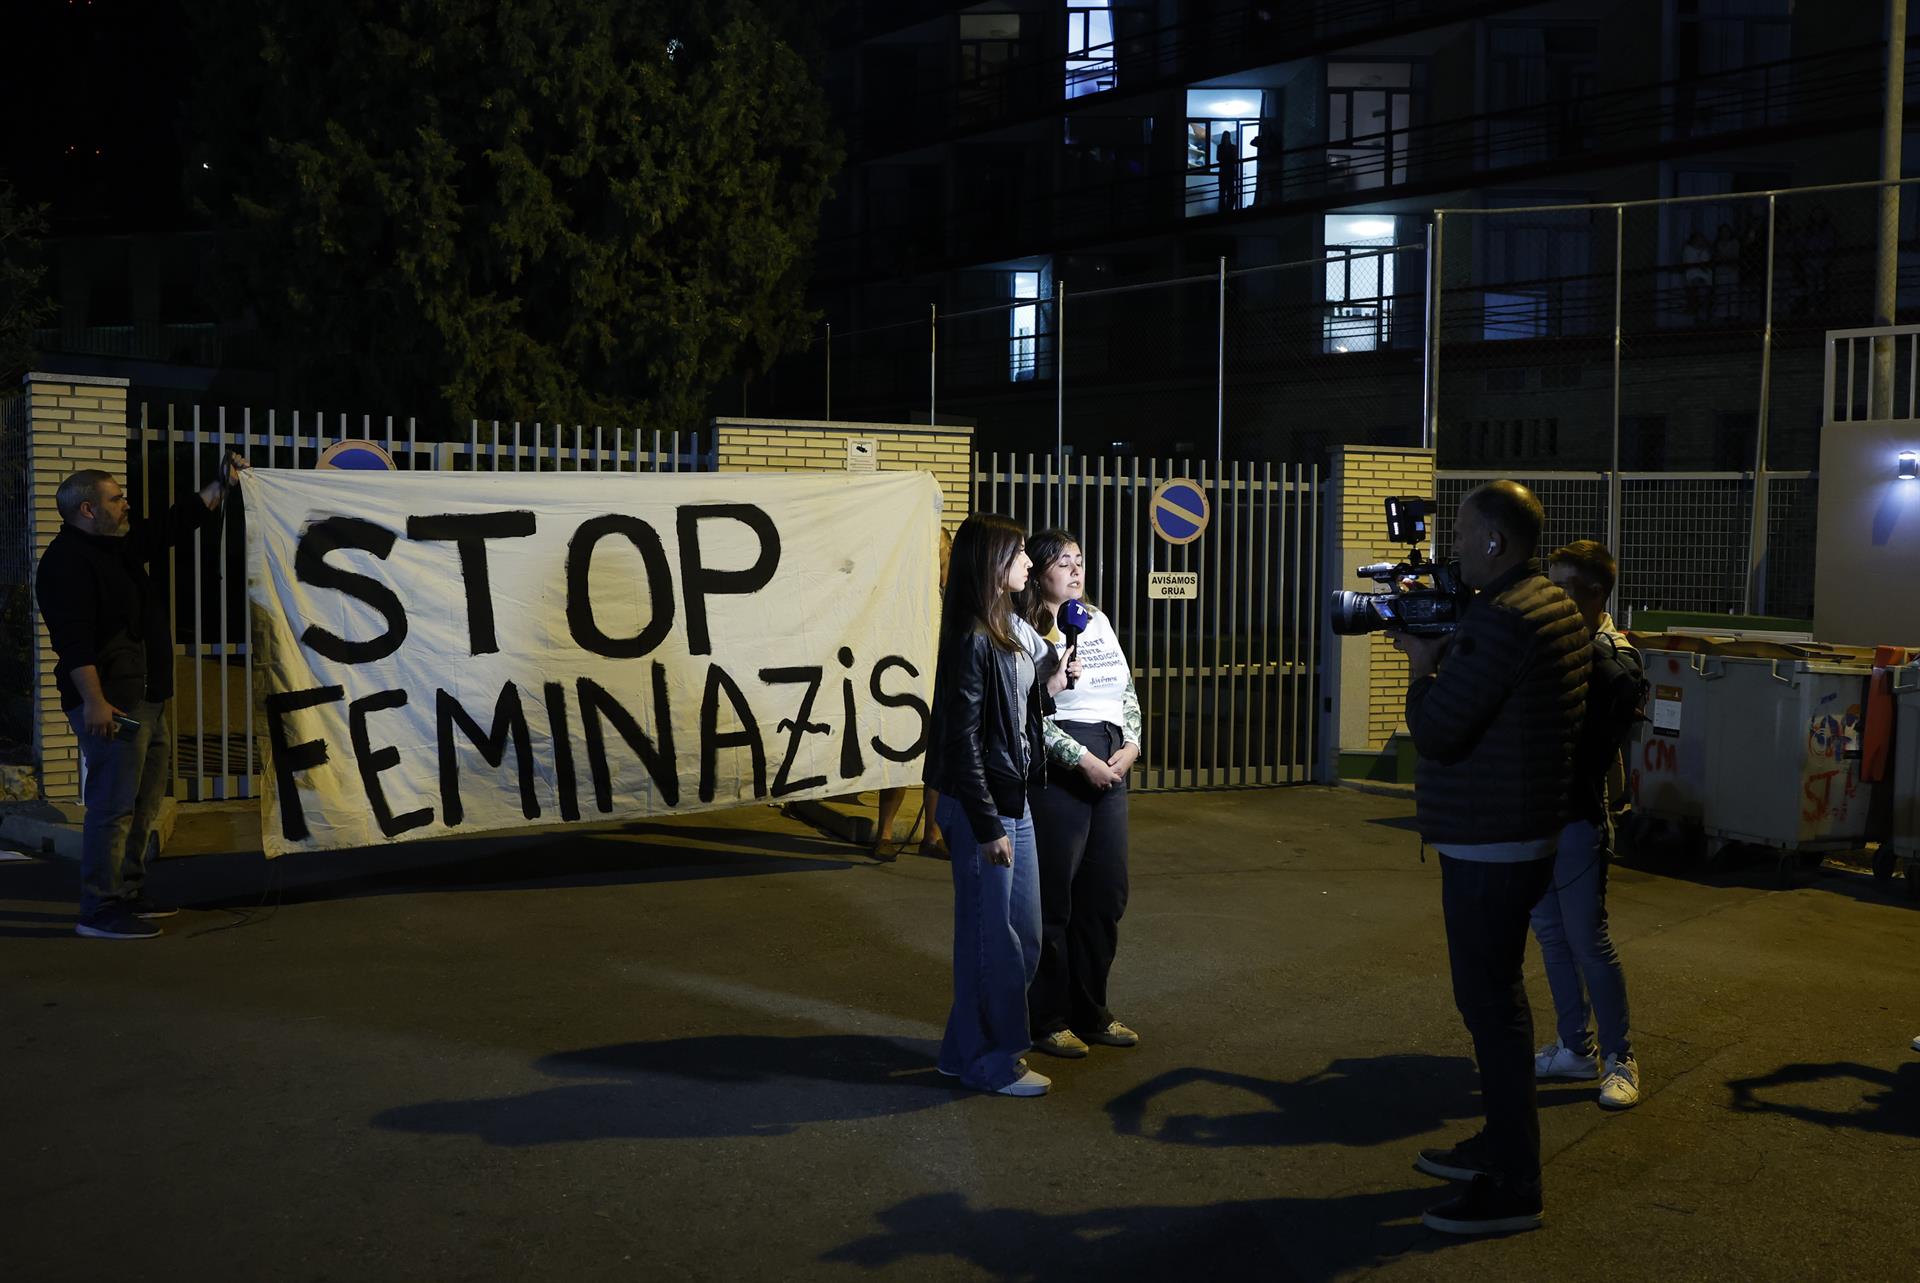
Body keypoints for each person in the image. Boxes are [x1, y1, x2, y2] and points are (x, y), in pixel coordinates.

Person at [1396, 481, 1590, 1236]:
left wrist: (1422, 661)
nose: (1452, 548)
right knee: (1496, 1002)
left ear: (1495, 544)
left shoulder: (1504, 622)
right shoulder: (1546, 604)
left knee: (1492, 1008)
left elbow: (1440, 728)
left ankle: (1514, 1183)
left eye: (1463, 535)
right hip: (1522, 828)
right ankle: (1500, 1146)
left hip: (1491, 837)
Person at [36, 454, 249, 940]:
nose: (126, 503)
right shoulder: (66, 563)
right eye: (116, 498)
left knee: (145, 800)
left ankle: (129, 890)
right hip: (112, 704)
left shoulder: (118, 546)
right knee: (112, 806)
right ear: (87, 509)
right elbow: (73, 640)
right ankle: (99, 908)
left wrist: (220, 485)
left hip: (147, 698)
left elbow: (170, 527)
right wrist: (93, 701)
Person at [925, 513, 1070, 1097]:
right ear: (992, 564)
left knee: (1021, 936)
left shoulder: (1005, 630)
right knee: (995, 942)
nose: (1030, 565)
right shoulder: (972, 637)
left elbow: (1012, 715)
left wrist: (1048, 692)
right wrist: (986, 824)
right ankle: (992, 1062)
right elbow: (961, 739)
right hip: (982, 807)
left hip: (1012, 799)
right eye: (1018, 556)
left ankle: (963, 1051)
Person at [1015, 529, 1143, 1059]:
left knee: (1105, 895)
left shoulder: (1098, 619)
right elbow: (1024, 714)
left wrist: (1132, 742)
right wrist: (1080, 760)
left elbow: (1125, 688)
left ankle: (1092, 1011)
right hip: (1062, 764)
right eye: (1062, 562)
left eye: (1080, 561)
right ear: (1038, 572)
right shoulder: (1023, 631)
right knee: (1054, 900)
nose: (1074, 571)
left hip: (1113, 755)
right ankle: (1046, 1018)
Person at [1530, 541, 1647, 1111]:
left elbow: (1611, 707)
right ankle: (1574, 1048)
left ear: (1596, 593)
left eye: (1564, 588)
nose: (1551, 597)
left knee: (1588, 941)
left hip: (1577, 818)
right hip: (1535, 816)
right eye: (1549, 585)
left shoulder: (1612, 652)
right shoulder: (1553, 641)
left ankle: (1620, 1058)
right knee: (1552, 937)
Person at [874, 527, 954, 861]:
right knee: (901, 756)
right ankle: (885, 833)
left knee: (938, 763)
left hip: (945, 681)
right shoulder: (910, 590)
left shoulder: (954, 592)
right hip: (911, 683)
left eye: (937, 549)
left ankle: (932, 836)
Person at [1216, 129, 1241, 211]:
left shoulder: (1231, 147)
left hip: (1228, 172)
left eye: (1227, 137)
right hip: (1224, 172)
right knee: (1222, 193)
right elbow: (1218, 158)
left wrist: (1226, 159)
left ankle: (1228, 209)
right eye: (1225, 137)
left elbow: (1234, 158)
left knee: (1230, 192)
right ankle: (1223, 210)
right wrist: (1228, 159)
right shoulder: (1221, 147)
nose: (1226, 138)